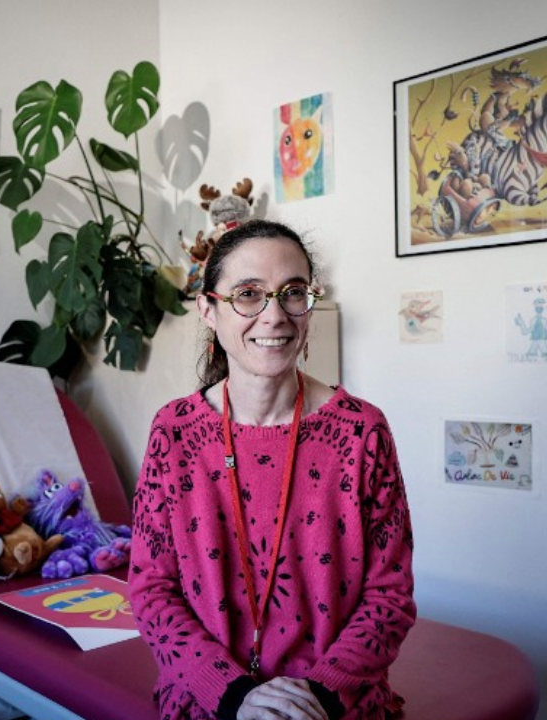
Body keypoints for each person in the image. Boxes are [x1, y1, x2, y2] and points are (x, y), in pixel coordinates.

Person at [130, 220, 416, 720]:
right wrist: (233, 694)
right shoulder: (173, 432)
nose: (275, 316)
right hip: (210, 701)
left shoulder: (362, 432)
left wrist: (320, 695)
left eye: (293, 293)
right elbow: (152, 590)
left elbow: (390, 595)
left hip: (333, 705)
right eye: (248, 294)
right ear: (208, 310)